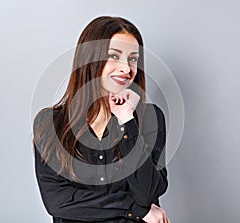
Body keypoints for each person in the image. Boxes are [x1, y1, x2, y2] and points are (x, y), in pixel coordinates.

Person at [33, 16, 171, 223]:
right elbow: (58, 201)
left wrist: (126, 121)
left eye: (133, 59)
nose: (126, 69)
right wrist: (135, 210)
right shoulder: (50, 123)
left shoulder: (150, 119)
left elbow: (147, 192)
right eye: (114, 56)